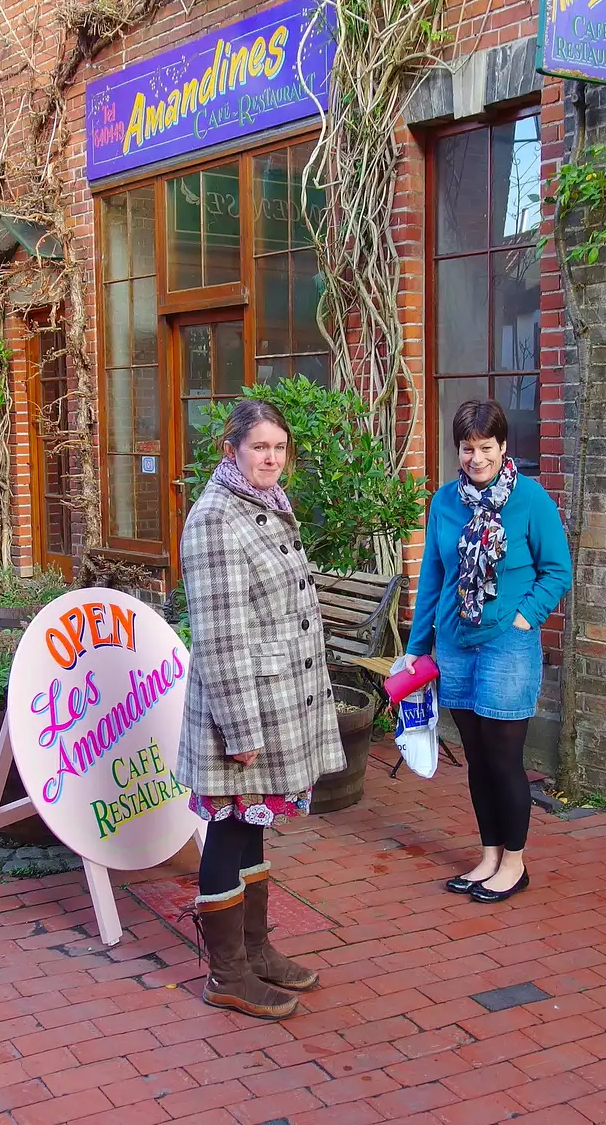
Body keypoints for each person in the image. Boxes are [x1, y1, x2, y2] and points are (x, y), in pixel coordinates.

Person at [176, 398, 344, 1020]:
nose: (271, 458)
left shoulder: (264, 505)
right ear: (231, 451)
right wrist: (241, 730)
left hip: (273, 703)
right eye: (259, 448)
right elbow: (220, 637)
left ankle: (257, 952)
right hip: (242, 710)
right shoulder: (217, 519)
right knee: (228, 827)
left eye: (279, 448)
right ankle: (227, 975)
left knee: (252, 823)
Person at [403, 399, 573, 904]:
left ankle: (515, 864)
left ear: (503, 447)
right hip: (456, 643)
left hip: (507, 645)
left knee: (504, 759)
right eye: (467, 448)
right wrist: (417, 647)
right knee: (475, 759)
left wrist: (524, 618)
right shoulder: (445, 503)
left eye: (486, 448)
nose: (476, 458)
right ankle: (489, 854)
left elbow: (557, 570)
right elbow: (433, 576)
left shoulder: (531, 500)